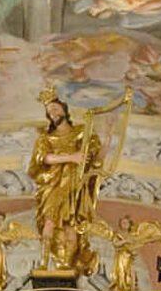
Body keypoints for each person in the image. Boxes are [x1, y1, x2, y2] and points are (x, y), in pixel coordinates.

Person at [28, 87, 108, 272]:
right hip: (54, 184)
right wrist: (72, 157)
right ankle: (43, 262)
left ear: (64, 109)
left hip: (76, 185)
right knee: (50, 222)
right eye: (49, 112)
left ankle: (69, 264)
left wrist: (108, 143)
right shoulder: (46, 138)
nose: (53, 113)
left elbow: (95, 161)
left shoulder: (82, 132)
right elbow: (43, 159)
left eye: (55, 109)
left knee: (72, 225)